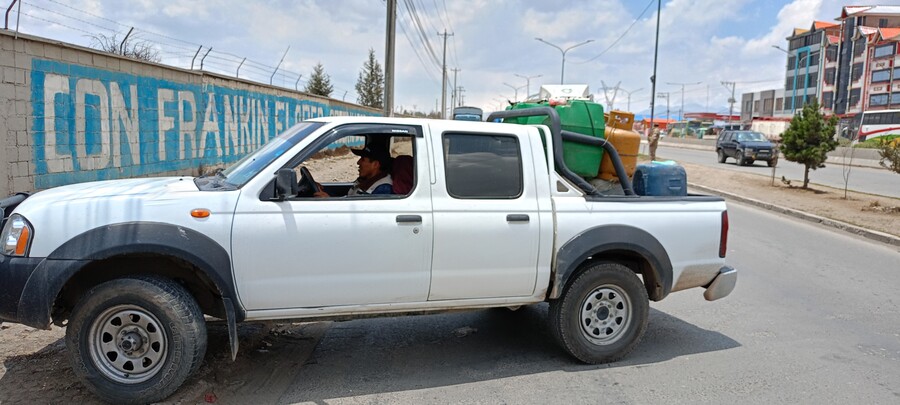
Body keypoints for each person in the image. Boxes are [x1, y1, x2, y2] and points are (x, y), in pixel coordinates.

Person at [314, 144, 393, 197]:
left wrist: (329, 201)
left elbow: (362, 214)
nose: (358, 162)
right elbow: (348, 198)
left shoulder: (382, 189)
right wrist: (323, 189)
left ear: (375, 164)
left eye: (363, 159)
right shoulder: (365, 180)